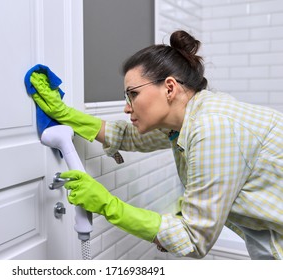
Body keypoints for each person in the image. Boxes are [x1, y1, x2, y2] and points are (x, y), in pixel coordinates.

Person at [29, 30, 283, 259]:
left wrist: (107, 204)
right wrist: (63, 113)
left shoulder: (212, 127)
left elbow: (192, 239)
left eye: (133, 94)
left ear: (169, 87)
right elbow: (128, 137)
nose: (127, 107)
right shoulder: (186, 120)